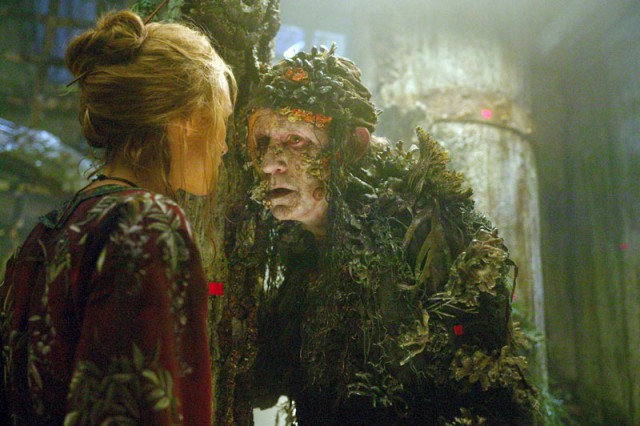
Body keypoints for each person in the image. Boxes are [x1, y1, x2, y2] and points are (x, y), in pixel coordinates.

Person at [246, 45, 541, 424]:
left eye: (296, 140)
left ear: (352, 146)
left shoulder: (421, 231)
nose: (270, 163)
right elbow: (269, 378)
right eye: (263, 142)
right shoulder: (302, 246)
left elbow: (476, 387)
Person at [0, 9, 235, 425]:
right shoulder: (147, 223)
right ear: (184, 122)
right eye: (222, 121)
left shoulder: (51, 228)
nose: (224, 147)